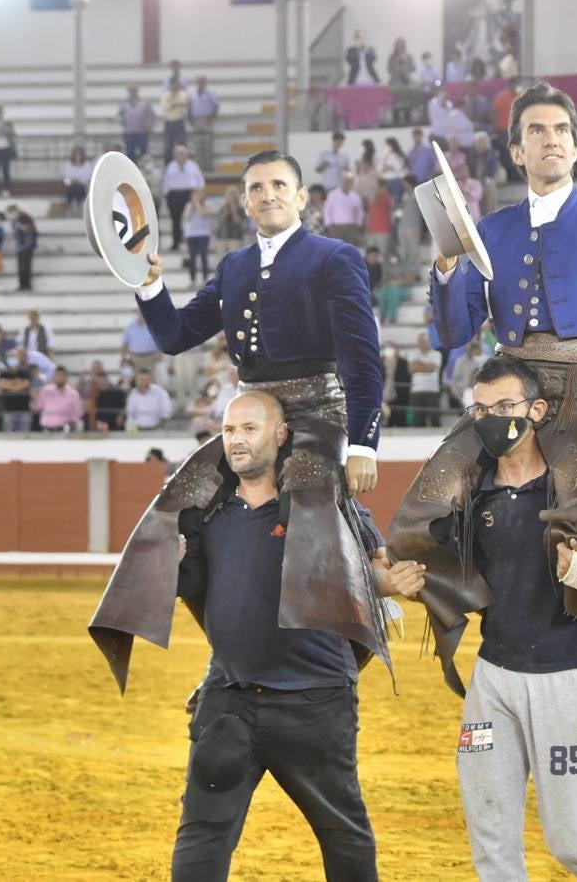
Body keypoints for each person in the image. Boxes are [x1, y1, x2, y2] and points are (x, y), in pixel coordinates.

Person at [393, 80, 577, 699]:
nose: (549, 139)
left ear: (576, 147)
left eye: (560, 130)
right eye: (536, 130)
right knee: (435, 492)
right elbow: (451, 334)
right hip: (507, 388)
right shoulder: (490, 230)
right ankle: (459, 611)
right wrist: (448, 264)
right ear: (516, 151)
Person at [89, 149, 387, 695]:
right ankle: (229, 654)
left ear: (301, 197)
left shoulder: (334, 257)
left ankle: (351, 640)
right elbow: (175, 336)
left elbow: (363, 362)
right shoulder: (233, 266)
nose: (267, 195)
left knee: (307, 503)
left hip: (318, 412)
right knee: (181, 501)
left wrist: (364, 442)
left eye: (279, 185)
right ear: (245, 201)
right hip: (250, 415)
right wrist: (149, 283)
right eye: (256, 188)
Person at [409, 356, 577, 880]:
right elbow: (443, 575)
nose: (491, 417)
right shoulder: (472, 491)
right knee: (491, 841)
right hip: (494, 678)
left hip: (570, 676)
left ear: (537, 409)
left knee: (575, 845)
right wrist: (404, 584)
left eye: (504, 405)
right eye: (479, 409)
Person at [168, 390, 392, 881]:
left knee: (343, 836)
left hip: (314, 703)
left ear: (281, 434)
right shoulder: (208, 514)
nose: (236, 441)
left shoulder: (325, 503)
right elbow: (200, 597)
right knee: (202, 835)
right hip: (230, 700)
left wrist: (385, 580)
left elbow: (378, 579)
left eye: (249, 429)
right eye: (229, 431)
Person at [162, 145, 205, 252]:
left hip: (189, 194)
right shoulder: (171, 166)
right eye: (178, 154)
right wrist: (166, 196)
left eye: (183, 154)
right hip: (174, 195)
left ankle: (191, 242)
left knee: (190, 219)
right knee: (175, 220)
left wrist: (199, 195)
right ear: (175, 156)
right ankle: (176, 242)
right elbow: (166, 182)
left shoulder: (193, 166)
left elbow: (200, 181)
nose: (180, 156)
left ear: (186, 155)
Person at [182, 189, 213, 287]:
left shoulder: (207, 204)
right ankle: (192, 279)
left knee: (204, 256)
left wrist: (197, 204)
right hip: (191, 235)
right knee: (192, 258)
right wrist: (192, 206)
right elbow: (186, 218)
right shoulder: (188, 205)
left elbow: (202, 214)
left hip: (203, 234)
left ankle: (205, 278)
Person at [118, 85, 156, 161]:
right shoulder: (124, 103)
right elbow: (119, 115)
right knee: (130, 153)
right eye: (131, 90)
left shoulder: (144, 103)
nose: (132, 92)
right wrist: (124, 123)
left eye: (134, 90)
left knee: (144, 153)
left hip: (142, 132)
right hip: (129, 132)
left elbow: (151, 115)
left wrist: (148, 126)